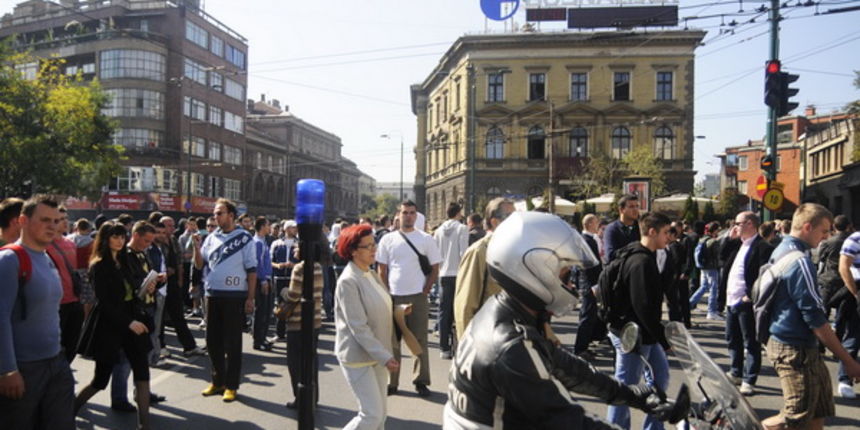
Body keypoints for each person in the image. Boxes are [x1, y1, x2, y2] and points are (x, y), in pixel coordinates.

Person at [445, 211, 663, 429]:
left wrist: (632, 394)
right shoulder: (510, 345)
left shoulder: (500, 311)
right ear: (534, 268)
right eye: (564, 272)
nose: (570, 284)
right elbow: (567, 419)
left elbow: (566, 366)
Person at [762, 203, 860, 430]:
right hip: (794, 348)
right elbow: (815, 318)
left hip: (797, 345)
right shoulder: (800, 261)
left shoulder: (784, 250)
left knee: (818, 412)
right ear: (807, 227)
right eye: (824, 231)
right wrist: (848, 361)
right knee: (794, 419)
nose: (826, 237)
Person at [0, 195, 75, 430]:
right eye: (45, 220)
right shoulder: (9, 260)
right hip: (24, 369)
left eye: (56, 221)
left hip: (56, 363)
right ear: (23, 220)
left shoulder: (48, 256)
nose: (52, 226)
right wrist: (7, 370)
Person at [73, 222, 157, 429]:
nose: (120, 241)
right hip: (110, 323)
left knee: (142, 372)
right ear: (106, 238)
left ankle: (144, 424)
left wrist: (150, 286)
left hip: (132, 317)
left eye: (122, 236)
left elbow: (135, 289)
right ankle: (70, 409)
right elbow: (104, 302)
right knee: (100, 380)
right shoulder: (99, 265)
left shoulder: (126, 259)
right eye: (115, 236)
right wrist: (129, 322)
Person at [604, 212, 673, 430]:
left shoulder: (641, 254)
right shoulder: (640, 261)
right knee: (625, 388)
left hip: (642, 333)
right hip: (632, 335)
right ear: (651, 232)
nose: (669, 237)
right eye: (665, 232)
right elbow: (643, 306)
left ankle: (653, 427)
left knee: (660, 379)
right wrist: (664, 339)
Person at [334, 224, 398, 429]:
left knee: (381, 417)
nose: (373, 249)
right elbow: (358, 327)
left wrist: (399, 311)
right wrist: (385, 356)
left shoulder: (370, 273)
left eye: (374, 244)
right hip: (358, 356)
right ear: (353, 250)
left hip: (377, 354)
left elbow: (380, 304)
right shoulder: (348, 281)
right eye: (367, 246)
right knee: (371, 415)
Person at [194, 199, 257, 402]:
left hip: (234, 296)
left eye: (219, 213)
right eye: (214, 214)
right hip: (212, 294)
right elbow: (199, 264)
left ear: (231, 215)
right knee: (212, 341)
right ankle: (217, 381)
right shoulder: (212, 237)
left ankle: (232, 385)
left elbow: (252, 271)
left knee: (232, 343)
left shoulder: (245, 238)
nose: (215, 217)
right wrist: (196, 247)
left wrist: (250, 297)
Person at [376, 200, 441, 397]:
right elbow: (382, 269)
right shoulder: (388, 240)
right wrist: (386, 292)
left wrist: (426, 290)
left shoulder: (426, 239)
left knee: (419, 340)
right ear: (398, 215)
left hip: (417, 296)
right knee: (392, 342)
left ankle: (421, 381)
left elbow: (435, 268)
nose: (409, 216)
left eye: (412, 212)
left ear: (416, 215)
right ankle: (392, 382)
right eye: (405, 212)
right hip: (394, 296)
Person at [719, 212, 773, 396]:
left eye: (737, 223)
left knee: (750, 341)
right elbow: (721, 257)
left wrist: (749, 296)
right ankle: (736, 372)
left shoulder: (762, 247)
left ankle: (749, 379)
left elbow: (765, 275)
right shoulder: (738, 244)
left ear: (749, 224)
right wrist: (729, 238)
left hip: (746, 302)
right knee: (732, 338)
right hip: (731, 299)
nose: (735, 226)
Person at [453, 197, 514, 341]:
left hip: (510, 338)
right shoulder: (479, 251)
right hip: (486, 340)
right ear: (494, 221)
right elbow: (465, 307)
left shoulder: (514, 250)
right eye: (510, 217)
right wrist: (468, 350)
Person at [282, 241, 326, 409]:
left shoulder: (300, 268)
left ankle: (300, 398)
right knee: (311, 361)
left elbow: (293, 295)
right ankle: (313, 397)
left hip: (297, 322)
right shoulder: (318, 267)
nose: (295, 249)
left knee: (295, 363)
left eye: (298, 247)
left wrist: (283, 291)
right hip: (314, 321)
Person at [48, 206, 83, 364]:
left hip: (74, 301)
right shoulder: (44, 245)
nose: (64, 222)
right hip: (56, 304)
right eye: (59, 220)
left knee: (72, 346)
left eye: (65, 218)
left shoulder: (70, 243)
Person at [434, 202, 469, 359]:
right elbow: (464, 252)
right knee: (460, 309)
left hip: (443, 273)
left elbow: (436, 254)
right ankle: (459, 345)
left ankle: (444, 348)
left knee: (444, 311)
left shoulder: (439, 231)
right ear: (458, 213)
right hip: (458, 273)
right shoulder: (462, 229)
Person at [574, 213, 606, 360]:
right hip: (589, 284)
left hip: (590, 283)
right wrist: (594, 285)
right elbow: (588, 265)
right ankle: (580, 349)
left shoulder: (588, 239)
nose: (598, 225)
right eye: (596, 222)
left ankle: (585, 346)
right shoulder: (586, 240)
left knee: (590, 315)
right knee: (587, 317)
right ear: (589, 224)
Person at [836, 217, 860, 398]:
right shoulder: (855, 239)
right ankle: (844, 380)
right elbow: (844, 266)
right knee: (852, 337)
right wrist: (855, 293)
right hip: (857, 291)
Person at [688, 222, 723, 321]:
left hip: (703, 267)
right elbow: (718, 255)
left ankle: (689, 305)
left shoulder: (702, 239)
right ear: (715, 230)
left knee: (703, 287)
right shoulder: (713, 241)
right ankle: (711, 311)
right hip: (711, 267)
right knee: (713, 289)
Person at [270, 220, 298, 342]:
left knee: (295, 305)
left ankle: (293, 333)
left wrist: (294, 265)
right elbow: (270, 261)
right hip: (279, 278)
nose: (295, 230)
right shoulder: (276, 243)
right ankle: (279, 332)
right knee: (280, 305)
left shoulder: (299, 244)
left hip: (293, 278)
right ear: (286, 229)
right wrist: (278, 266)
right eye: (293, 227)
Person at [252, 217, 274, 351]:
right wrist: (264, 280)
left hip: (266, 278)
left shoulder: (263, 241)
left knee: (266, 310)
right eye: (267, 225)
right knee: (260, 311)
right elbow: (257, 263)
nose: (269, 227)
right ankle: (258, 341)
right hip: (261, 280)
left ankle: (263, 338)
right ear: (261, 227)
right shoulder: (257, 243)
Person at [603, 194, 640, 263]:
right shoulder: (612, 229)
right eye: (631, 207)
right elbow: (610, 255)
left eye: (637, 206)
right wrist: (635, 248)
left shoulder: (641, 228)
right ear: (621, 210)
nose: (635, 209)